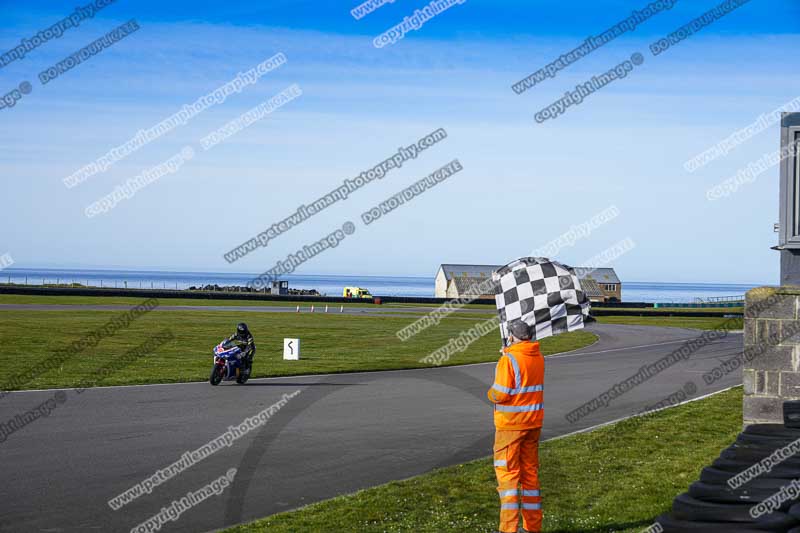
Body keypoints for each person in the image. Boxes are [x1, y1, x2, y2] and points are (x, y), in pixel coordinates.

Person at [487, 320, 544, 533]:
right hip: (533, 424)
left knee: (508, 476)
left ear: (511, 336)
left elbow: (500, 393)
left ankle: (508, 529)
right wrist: (508, 355)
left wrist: (490, 393)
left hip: (511, 427)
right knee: (530, 475)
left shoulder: (508, 360)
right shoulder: (538, 357)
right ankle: (532, 527)